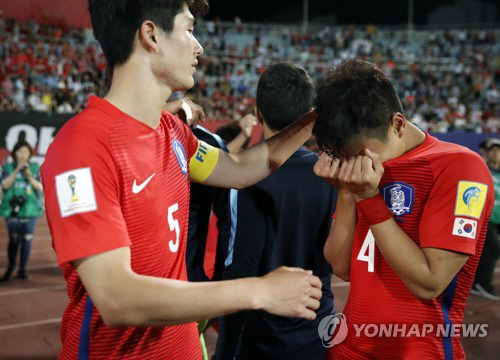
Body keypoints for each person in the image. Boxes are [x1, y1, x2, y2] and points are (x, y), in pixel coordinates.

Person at [41, 1, 321, 359]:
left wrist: (314, 119)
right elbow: (116, 298)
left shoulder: (171, 131)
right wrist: (259, 291)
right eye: (189, 29)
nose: (199, 46)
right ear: (151, 35)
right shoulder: (80, 149)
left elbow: (238, 169)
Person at [312, 59, 494, 359]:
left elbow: (429, 282)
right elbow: (342, 267)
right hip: (349, 348)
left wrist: (369, 198)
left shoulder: (460, 168)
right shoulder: (362, 177)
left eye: (362, 153)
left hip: (419, 350)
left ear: (396, 124)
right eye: (347, 158)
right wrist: (347, 193)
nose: (359, 165)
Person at [215, 63, 337, 360]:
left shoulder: (242, 176)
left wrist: (225, 351)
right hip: (317, 327)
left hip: (261, 337)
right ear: (309, 114)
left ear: (258, 113)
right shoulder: (328, 172)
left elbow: (240, 269)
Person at [0, 140, 43, 281]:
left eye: (25, 151)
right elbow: (4, 186)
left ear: (30, 153)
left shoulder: (35, 167)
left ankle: (22, 269)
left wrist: (30, 178)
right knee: (13, 240)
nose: (23, 154)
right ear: (14, 153)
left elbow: (41, 187)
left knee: (27, 239)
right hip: (12, 211)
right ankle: (10, 268)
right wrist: (17, 169)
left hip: (30, 210)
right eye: (19, 151)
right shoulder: (8, 167)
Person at [471, 137, 500, 300]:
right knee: (494, 249)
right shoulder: (482, 169)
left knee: (487, 252)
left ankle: (476, 283)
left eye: (498, 150)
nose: (496, 154)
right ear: (486, 153)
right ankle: (484, 284)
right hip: (486, 218)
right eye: (492, 151)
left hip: (498, 219)